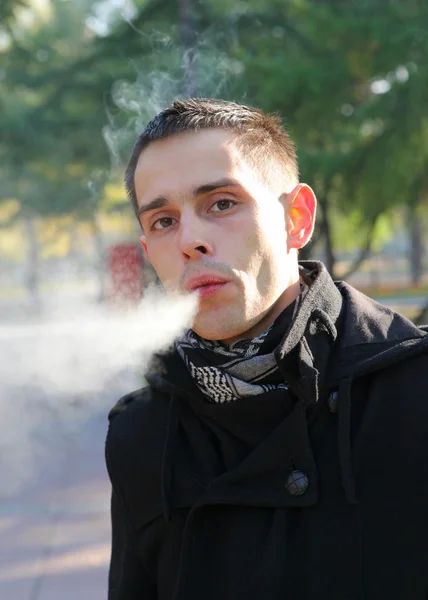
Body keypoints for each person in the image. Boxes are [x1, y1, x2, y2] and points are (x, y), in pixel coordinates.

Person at [105, 98, 428, 600]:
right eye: (163, 221)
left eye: (222, 203)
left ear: (296, 218)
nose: (190, 240)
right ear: (149, 252)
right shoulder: (140, 435)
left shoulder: (414, 391)